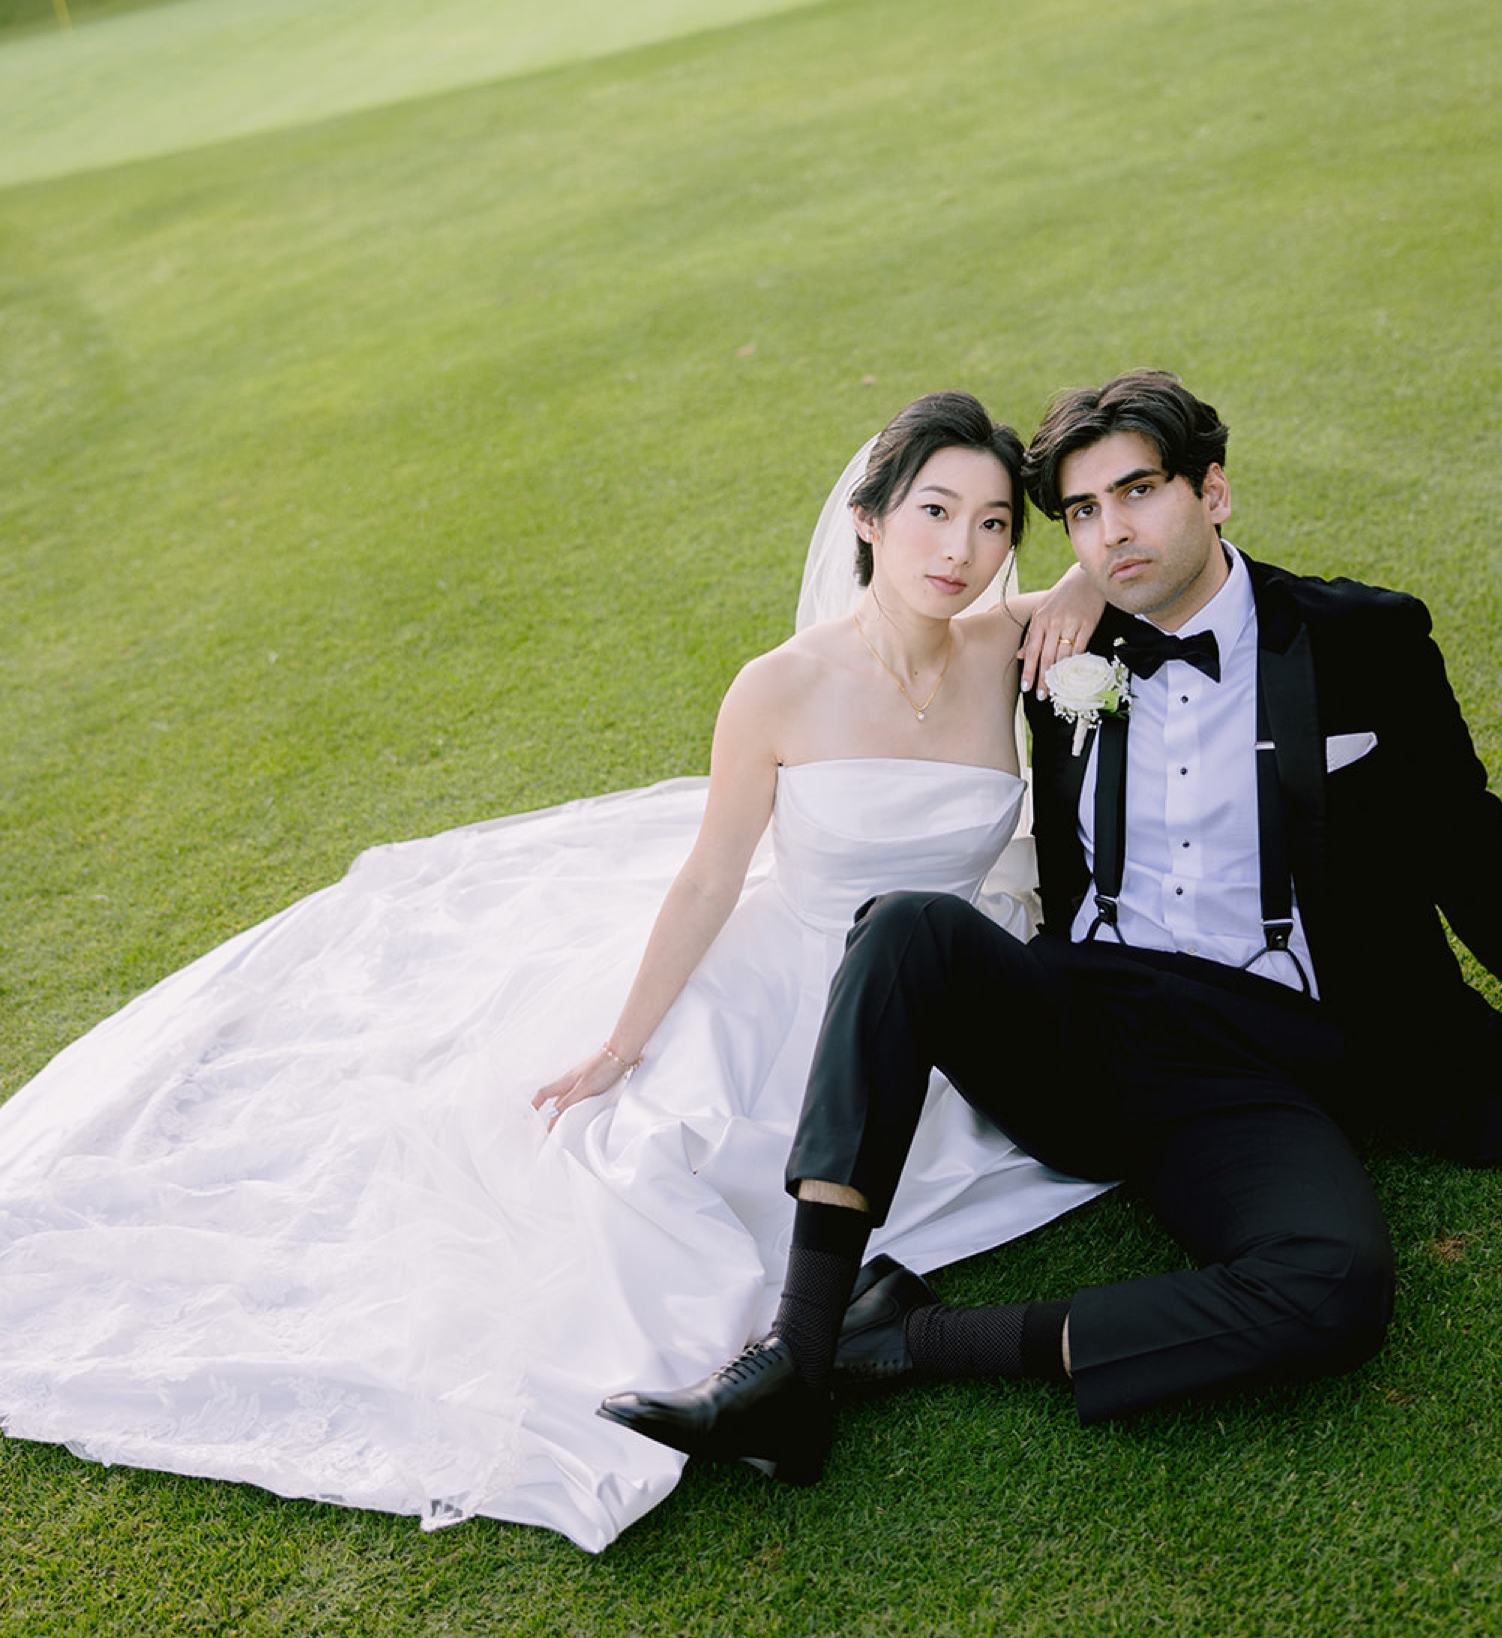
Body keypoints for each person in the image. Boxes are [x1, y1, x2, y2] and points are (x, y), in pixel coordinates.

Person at [0, 394, 1103, 1552]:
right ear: (870, 519)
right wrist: (621, 1044)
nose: (961, 550)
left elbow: (1090, 580)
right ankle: (786, 1356)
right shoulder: (779, 683)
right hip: (790, 975)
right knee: (648, 1167)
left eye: (990, 525)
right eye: (933, 511)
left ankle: (806, 1350)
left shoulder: (1009, 642)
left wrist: (1073, 583)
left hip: (934, 987)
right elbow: (708, 880)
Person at [602, 370, 1502, 1485]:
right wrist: (1084, 580)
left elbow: (1466, 841)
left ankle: (906, 1335)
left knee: (1336, 1283)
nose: (1113, 531)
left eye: (1139, 493)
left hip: (1265, 1060)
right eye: (1082, 512)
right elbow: (968, 612)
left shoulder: (1358, 639)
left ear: (1211, 490)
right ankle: (794, 1351)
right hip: (1087, 1011)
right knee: (902, 928)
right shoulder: (1054, 652)